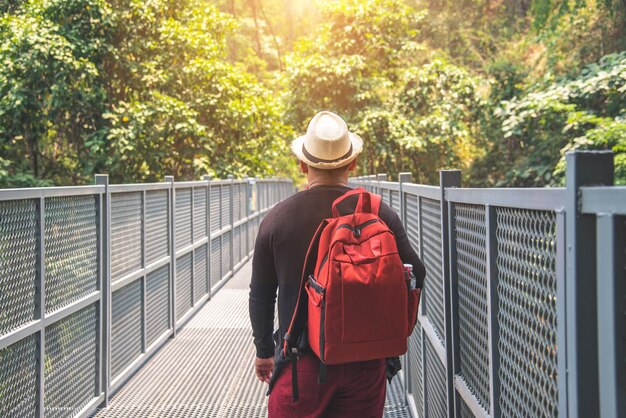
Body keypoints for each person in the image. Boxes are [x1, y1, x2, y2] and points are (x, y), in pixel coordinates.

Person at [249, 110, 425, 418]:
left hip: (299, 365)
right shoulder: (378, 212)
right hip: (365, 365)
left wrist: (264, 352)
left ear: (302, 164)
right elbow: (415, 273)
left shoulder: (277, 219)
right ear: (352, 163)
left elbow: (261, 296)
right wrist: (386, 337)